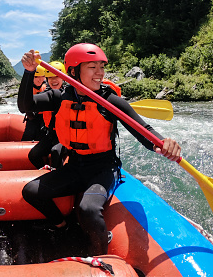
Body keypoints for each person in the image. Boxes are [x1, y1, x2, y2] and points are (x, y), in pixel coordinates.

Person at [18, 43, 181, 256]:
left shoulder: (110, 101)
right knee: (31, 191)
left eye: (101, 67)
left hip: (103, 169)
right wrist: (29, 73)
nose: (100, 73)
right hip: (75, 166)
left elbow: (143, 130)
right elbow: (26, 106)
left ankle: (100, 257)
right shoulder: (59, 97)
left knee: (88, 210)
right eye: (92, 67)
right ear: (74, 71)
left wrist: (163, 143)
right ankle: (62, 227)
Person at [23, 61, 66, 169]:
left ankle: (57, 175)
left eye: (57, 76)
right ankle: (46, 170)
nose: (54, 80)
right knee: (33, 155)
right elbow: (27, 105)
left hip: (66, 135)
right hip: (51, 133)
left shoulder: (69, 94)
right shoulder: (46, 96)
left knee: (56, 151)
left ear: (63, 78)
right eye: (50, 77)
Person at [21, 65, 47, 141]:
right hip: (32, 117)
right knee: (28, 134)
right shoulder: (27, 89)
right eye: (36, 77)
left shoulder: (47, 87)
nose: (40, 80)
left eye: (42, 76)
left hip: (45, 118)